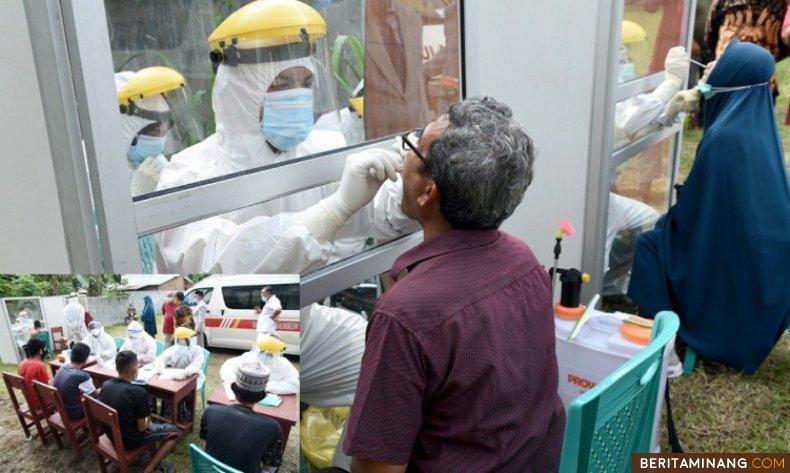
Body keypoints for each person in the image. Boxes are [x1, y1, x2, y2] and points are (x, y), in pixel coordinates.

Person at [343, 97, 565, 471]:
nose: (402, 154)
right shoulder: (524, 262)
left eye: (412, 147)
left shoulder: (404, 316)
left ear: (429, 191)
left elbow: (376, 468)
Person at [154, 0, 418, 274]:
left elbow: (378, 210)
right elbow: (215, 262)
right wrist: (334, 210)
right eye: (281, 85)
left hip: (308, 310)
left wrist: (414, 181)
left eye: (306, 84)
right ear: (241, 95)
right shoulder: (188, 174)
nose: (298, 95)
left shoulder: (318, 150)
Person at [628, 40, 790, 374]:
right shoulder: (757, 125)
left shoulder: (723, 137)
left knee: (649, 245)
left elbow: (693, 221)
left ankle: (665, 344)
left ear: (735, 75)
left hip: (730, 267)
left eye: (720, 63)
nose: (711, 66)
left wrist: (667, 225)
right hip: (768, 267)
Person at [99, 351, 181, 473]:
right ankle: (149, 469)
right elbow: (142, 428)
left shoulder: (106, 385)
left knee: (146, 420)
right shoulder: (138, 392)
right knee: (175, 431)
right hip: (129, 441)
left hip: (111, 434)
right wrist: (148, 419)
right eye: (137, 366)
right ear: (134, 368)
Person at [200, 364, 283, 473]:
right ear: (262, 396)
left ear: (234, 388)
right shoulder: (272, 427)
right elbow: (269, 467)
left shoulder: (210, 411)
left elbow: (205, 442)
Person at [705, 0, 788, 102]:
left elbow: (786, 43)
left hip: (758, 83)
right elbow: (711, 34)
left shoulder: (782, 4)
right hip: (729, 79)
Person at [220, 333, 299, 396]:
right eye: (264, 349)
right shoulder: (249, 356)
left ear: (278, 351)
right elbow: (227, 367)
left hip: (268, 398)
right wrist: (236, 382)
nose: (267, 353)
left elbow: (295, 384)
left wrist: (262, 386)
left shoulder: (283, 363)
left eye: (271, 351)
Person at [52, 342, 97, 421]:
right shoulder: (83, 376)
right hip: (73, 413)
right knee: (101, 400)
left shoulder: (62, 368)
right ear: (86, 360)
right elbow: (94, 396)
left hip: (61, 409)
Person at [17, 338, 49, 412]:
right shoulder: (40, 366)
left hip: (30, 401)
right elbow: (46, 389)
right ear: (40, 351)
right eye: (44, 349)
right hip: (41, 403)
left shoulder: (21, 364)